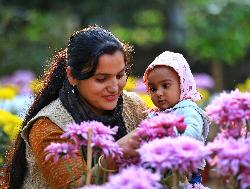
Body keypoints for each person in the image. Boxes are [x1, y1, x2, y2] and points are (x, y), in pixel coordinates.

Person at [1, 25, 148, 189]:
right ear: (72, 76)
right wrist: (115, 155)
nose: (114, 87)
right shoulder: (48, 126)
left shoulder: (134, 106)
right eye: (101, 79)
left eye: (120, 75)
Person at [143, 51, 210, 184]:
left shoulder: (188, 110)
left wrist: (167, 134)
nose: (159, 93)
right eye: (153, 88)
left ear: (182, 84)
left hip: (185, 173)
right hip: (160, 169)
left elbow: (193, 133)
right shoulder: (156, 113)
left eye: (166, 86)